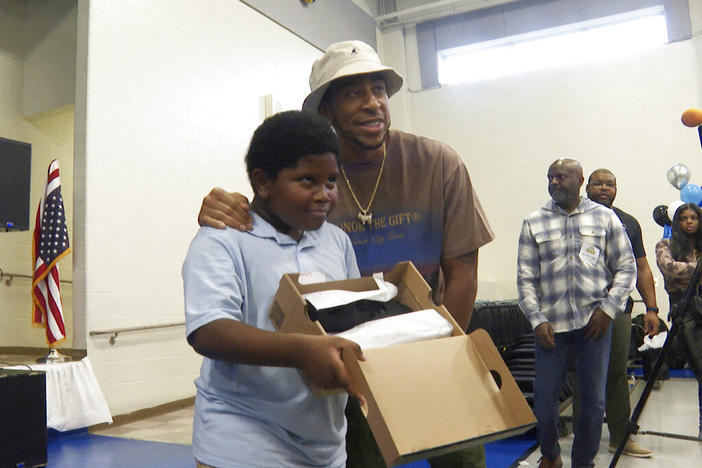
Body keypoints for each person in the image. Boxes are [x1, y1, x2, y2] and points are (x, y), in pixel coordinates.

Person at [197, 40, 494, 468]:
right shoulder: (311, 179)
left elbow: (463, 274)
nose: (373, 104)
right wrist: (226, 208)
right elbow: (269, 216)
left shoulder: (438, 163)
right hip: (350, 363)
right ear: (326, 110)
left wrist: (438, 356)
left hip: (435, 354)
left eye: (379, 90)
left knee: (464, 460)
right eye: (355, 93)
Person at [182, 110, 366, 468]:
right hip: (243, 439)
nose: (324, 195)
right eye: (307, 181)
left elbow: (351, 318)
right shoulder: (223, 239)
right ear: (263, 182)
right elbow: (208, 330)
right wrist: (301, 351)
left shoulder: (337, 242)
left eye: (331, 181)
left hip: (325, 442)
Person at [517, 158, 636, 468]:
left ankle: (583, 462)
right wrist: (536, 318)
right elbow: (526, 278)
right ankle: (551, 455)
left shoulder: (605, 218)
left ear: (580, 180)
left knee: (594, 404)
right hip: (550, 329)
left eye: (561, 177)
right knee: (544, 401)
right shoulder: (534, 222)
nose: (554, 182)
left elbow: (626, 268)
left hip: (593, 327)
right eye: (550, 177)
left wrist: (608, 310)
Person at [582, 168, 659, 458]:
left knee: (616, 373)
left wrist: (651, 308)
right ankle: (584, 440)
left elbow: (642, 267)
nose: (604, 188)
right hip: (582, 311)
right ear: (586, 187)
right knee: (584, 374)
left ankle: (620, 436)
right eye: (598, 183)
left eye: (609, 184)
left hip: (619, 310)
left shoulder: (628, 223)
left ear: (617, 189)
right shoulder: (574, 218)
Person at [654, 202, 702, 440]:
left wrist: (689, 269)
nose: (690, 221)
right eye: (684, 218)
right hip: (685, 312)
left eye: (694, 217)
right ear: (677, 222)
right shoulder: (666, 245)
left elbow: (683, 270)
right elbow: (670, 268)